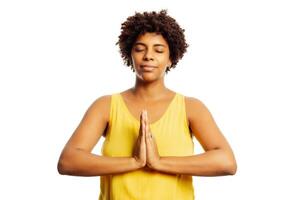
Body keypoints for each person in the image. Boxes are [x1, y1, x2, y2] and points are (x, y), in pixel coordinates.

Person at [57, 10, 237, 200]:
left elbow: (227, 162)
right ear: (129, 55)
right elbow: (68, 161)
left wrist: (158, 162)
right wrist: (134, 162)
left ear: (171, 58)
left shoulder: (191, 108)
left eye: (158, 50)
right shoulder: (105, 106)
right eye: (140, 49)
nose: (148, 56)